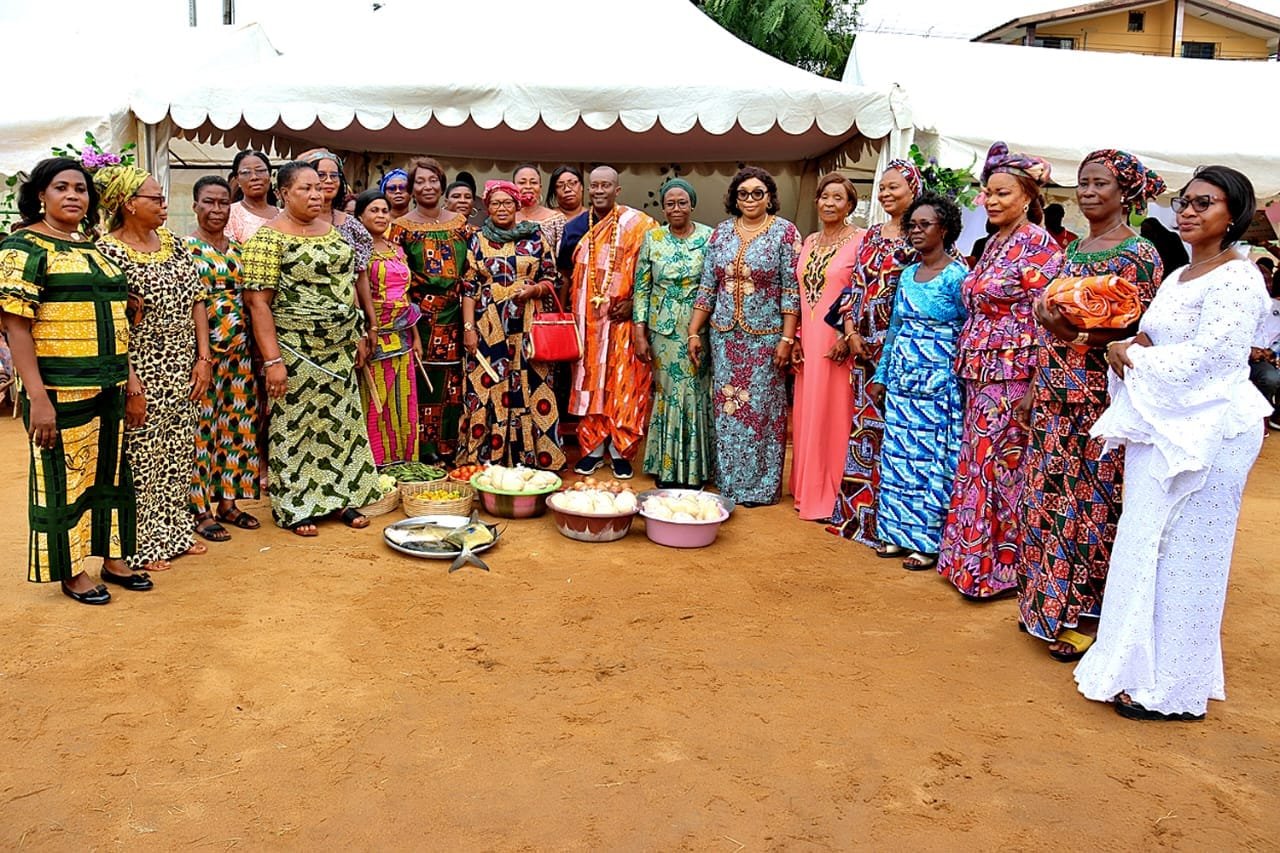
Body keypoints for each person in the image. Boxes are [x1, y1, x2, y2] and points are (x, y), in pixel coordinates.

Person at [1075, 165, 1271, 722]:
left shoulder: (1238, 277)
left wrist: (1131, 355)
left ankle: (1174, 691)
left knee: (1187, 557)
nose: (1187, 211)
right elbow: (1158, 335)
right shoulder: (1180, 274)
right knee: (1144, 546)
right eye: (1184, 202)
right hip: (1164, 425)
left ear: (1232, 214)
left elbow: (1215, 357)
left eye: (1203, 203)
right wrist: (1134, 341)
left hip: (1213, 433)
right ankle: (1135, 668)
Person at [1018, 150, 1165, 661]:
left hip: (1100, 396)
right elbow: (1051, 321)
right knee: (1045, 497)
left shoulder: (1140, 254)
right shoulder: (1073, 249)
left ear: (1125, 192)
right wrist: (1038, 380)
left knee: (1090, 505)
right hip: (1054, 393)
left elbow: (1135, 333)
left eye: (1100, 183)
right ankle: (1044, 606)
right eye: (1082, 183)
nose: (1087, 192)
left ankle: (1086, 613)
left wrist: (1070, 333)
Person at [0, 157, 148, 603]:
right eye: (61, 187)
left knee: (111, 473)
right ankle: (70, 571)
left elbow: (118, 318)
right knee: (64, 479)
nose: (72, 196)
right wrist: (37, 398)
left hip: (110, 383)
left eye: (80, 189)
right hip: (61, 386)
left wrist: (131, 378)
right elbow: (16, 325)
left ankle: (113, 556)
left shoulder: (92, 247)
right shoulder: (22, 249)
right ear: (40, 195)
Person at [937, 142, 1063, 600]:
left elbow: (1049, 320)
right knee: (976, 465)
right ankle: (967, 561)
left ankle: (997, 571)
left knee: (1000, 469)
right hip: (979, 368)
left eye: (1002, 193)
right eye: (988, 192)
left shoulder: (1039, 245)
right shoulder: (993, 242)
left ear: (1027, 196)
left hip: (1013, 373)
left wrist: (1036, 384)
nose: (990, 200)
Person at [241, 161, 382, 535]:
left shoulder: (336, 234)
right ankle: (296, 505)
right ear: (283, 193)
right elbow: (258, 303)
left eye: (319, 188)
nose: (316, 195)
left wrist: (359, 335)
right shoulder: (267, 239)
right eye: (305, 189)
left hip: (338, 349)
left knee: (342, 426)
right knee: (296, 427)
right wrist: (273, 360)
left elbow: (347, 285)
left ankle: (341, 499)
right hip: (294, 349)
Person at [95, 165, 212, 573]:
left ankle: (176, 530)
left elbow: (198, 298)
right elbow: (112, 323)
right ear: (128, 204)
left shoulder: (172, 243)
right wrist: (131, 382)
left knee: (179, 451)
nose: (164, 205)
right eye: (155, 199)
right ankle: (141, 543)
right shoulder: (106, 253)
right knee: (141, 455)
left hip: (184, 364)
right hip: (140, 366)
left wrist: (203, 359)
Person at [866, 193, 968, 570]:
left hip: (939, 382)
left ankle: (925, 543)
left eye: (925, 225)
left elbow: (966, 327)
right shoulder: (907, 274)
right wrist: (882, 374)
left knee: (931, 461)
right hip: (904, 380)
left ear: (945, 229)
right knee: (897, 457)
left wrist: (956, 378)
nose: (916, 231)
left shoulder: (959, 276)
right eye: (912, 225)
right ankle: (894, 535)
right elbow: (895, 328)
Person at [688, 166, 801, 506]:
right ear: (734, 199)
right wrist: (695, 331)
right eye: (743, 194)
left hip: (765, 338)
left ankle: (760, 488)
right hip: (725, 336)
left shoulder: (785, 233)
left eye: (757, 193)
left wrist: (787, 338)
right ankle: (728, 484)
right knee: (728, 410)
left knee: (762, 412)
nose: (750, 199)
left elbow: (790, 290)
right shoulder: (721, 233)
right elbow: (708, 286)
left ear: (769, 197)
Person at [826, 159, 924, 546]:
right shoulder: (869, 236)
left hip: (898, 353)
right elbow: (853, 289)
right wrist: (849, 332)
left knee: (896, 437)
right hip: (861, 350)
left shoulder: (922, 236)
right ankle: (857, 518)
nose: (885, 193)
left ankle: (891, 524)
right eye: (881, 188)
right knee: (864, 434)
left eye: (893, 187)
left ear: (913, 190)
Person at [457, 181, 565, 469]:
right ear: (487, 207)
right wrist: (468, 330)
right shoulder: (477, 240)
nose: (501, 208)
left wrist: (535, 291)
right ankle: (487, 458)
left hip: (528, 324)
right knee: (489, 386)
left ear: (518, 206)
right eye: (495, 203)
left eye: (507, 203)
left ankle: (533, 457)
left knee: (530, 385)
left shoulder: (535, 237)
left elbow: (552, 278)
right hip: (488, 326)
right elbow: (468, 287)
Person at [566, 166, 659, 479]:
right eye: (595, 185)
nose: (600, 190)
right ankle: (592, 449)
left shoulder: (639, 224)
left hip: (623, 321)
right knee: (591, 382)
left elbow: (652, 271)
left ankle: (621, 450)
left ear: (617, 190)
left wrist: (634, 305)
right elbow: (566, 272)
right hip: (587, 322)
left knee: (625, 382)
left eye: (606, 185)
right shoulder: (577, 226)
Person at [185, 176, 262, 542]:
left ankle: (229, 503)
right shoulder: (184, 250)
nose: (216, 210)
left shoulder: (240, 251)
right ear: (195, 206)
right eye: (208, 202)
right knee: (204, 430)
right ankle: (199, 508)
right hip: (200, 355)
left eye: (222, 203)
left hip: (240, 353)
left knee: (238, 428)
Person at [632, 178, 715, 489]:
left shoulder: (709, 237)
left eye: (682, 202)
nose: (676, 208)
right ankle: (666, 467)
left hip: (699, 328)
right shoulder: (652, 238)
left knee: (695, 392)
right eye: (670, 203)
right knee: (668, 394)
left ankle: (694, 470)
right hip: (663, 330)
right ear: (663, 207)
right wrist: (640, 332)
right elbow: (642, 288)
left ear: (692, 204)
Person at [790, 173, 863, 521]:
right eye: (824, 197)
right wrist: (797, 337)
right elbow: (803, 295)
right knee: (808, 412)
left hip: (837, 342)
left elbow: (859, 293)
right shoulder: (809, 241)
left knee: (834, 414)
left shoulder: (860, 241)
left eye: (838, 198)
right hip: (809, 340)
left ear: (850, 205)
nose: (830, 203)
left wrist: (845, 335)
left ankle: (832, 495)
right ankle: (807, 490)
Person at [388, 157, 470, 463]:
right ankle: (423, 450)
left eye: (433, 180)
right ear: (411, 189)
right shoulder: (400, 229)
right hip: (419, 316)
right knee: (423, 383)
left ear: (442, 184)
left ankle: (449, 447)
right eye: (420, 181)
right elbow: (397, 279)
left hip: (456, 313)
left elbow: (472, 271)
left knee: (452, 383)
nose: (427, 186)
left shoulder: (460, 224)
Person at [356, 189, 421, 466]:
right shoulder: (357, 253)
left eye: (384, 210)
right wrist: (365, 331)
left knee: (403, 400)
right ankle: (376, 464)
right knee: (375, 401)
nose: (381, 215)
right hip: (375, 335)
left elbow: (406, 297)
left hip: (402, 335)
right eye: (374, 210)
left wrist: (416, 335)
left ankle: (403, 463)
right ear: (359, 216)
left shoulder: (398, 250)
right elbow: (357, 296)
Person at [298, 150, 378, 340]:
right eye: (321, 175)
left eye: (334, 175)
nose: (328, 181)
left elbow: (360, 277)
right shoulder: (292, 224)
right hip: (304, 322)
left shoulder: (351, 225)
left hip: (348, 316)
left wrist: (372, 324)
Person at [513, 164, 567, 254]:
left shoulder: (557, 220)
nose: (528, 186)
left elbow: (563, 256)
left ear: (540, 187)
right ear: (513, 187)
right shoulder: (504, 218)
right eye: (522, 183)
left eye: (533, 183)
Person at [226, 150, 276, 243]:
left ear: (269, 175)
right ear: (237, 180)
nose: (254, 177)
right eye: (246, 173)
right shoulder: (229, 215)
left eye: (260, 171)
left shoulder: (285, 214)